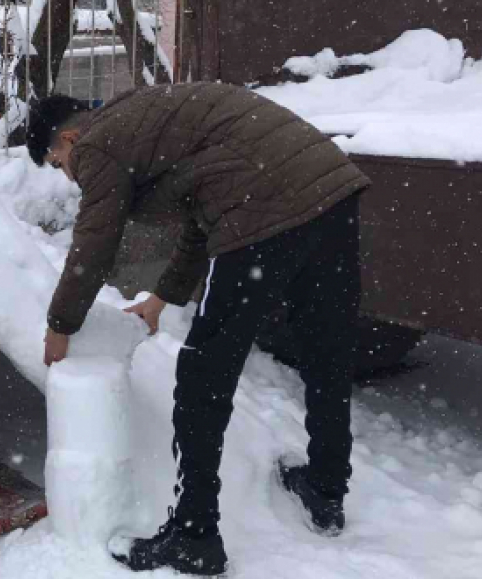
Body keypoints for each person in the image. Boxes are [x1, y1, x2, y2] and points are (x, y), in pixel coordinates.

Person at [27, 84, 369, 576]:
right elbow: (201, 215)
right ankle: (326, 489)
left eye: (58, 163)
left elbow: (95, 241)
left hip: (265, 211)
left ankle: (194, 536)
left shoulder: (98, 142)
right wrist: (163, 297)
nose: (68, 174)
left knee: (202, 376)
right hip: (330, 193)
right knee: (326, 351)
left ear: (70, 138)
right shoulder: (148, 119)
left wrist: (61, 324)